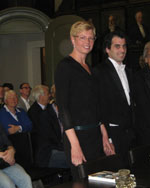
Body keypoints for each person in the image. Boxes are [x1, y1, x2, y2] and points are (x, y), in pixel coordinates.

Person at [55, 20, 114, 181]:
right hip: (77, 136)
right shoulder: (65, 66)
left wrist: (104, 136)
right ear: (73, 40)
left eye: (91, 38)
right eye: (82, 37)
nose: (87, 42)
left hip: (95, 135)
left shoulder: (91, 69)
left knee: (99, 182)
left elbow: (97, 107)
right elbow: (63, 109)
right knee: (82, 182)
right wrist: (74, 145)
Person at [94, 30, 135, 165]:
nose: (122, 50)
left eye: (124, 46)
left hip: (130, 134)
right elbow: (99, 107)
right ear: (107, 49)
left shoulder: (129, 71)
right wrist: (108, 139)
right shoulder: (99, 71)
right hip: (113, 134)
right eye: (117, 46)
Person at [36, 101, 69, 168]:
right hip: (49, 153)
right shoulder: (45, 115)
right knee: (76, 157)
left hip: (62, 148)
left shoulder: (64, 114)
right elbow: (52, 141)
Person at [0, 123, 32, 188]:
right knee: (7, 184)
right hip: (3, 158)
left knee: (25, 179)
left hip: (4, 162)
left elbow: (8, 143)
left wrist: (11, 151)